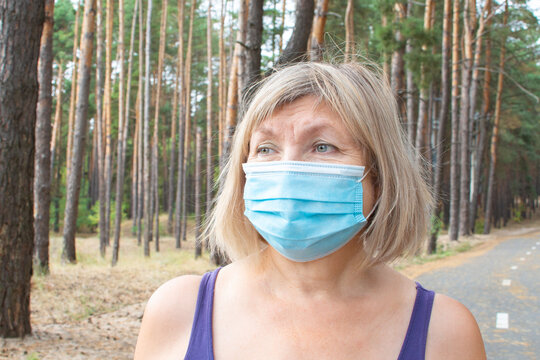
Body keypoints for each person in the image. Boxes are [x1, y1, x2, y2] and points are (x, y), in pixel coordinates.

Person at [134, 62, 486, 360]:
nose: (287, 169)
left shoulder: (445, 332)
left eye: (322, 146)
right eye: (266, 148)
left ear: (379, 176)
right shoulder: (177, 309)